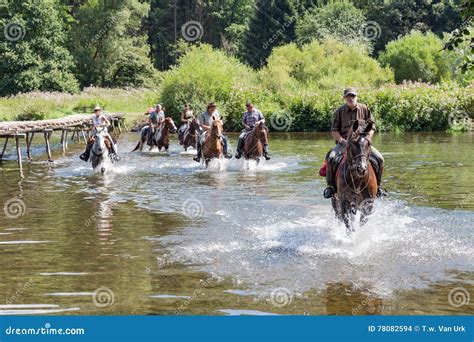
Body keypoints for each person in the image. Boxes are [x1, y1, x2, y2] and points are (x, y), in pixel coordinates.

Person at [323, 87, 385, 198]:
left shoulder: (364, 108)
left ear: (356, 96)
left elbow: (372, 127)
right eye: (348, 96)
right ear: (344, 98)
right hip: (344, 143)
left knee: (380, 158)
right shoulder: (339, 111)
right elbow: (334, 131)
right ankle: (331, 187)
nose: (351, 98)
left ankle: (379, 186)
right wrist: (343, 141)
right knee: (331, 157)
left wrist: (367, 139)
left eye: (353, 96)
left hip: (362, 144)